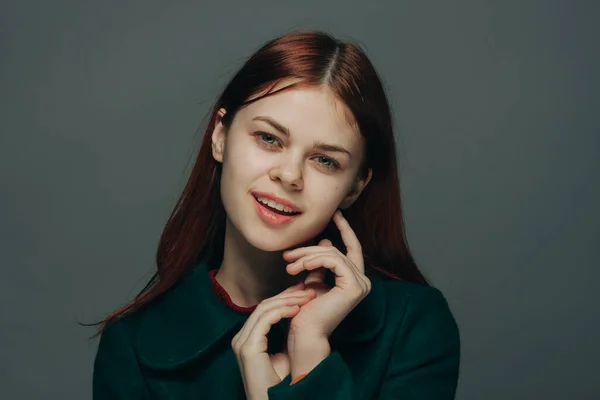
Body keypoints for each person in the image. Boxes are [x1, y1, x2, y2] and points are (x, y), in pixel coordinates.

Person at [92, 30, 460, 399]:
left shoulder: (413, 328)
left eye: (325, 160)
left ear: (354, 186)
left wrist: (310, 352)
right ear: (220, 136)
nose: (289, 175)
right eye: (269, 138)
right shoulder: (133, 346)